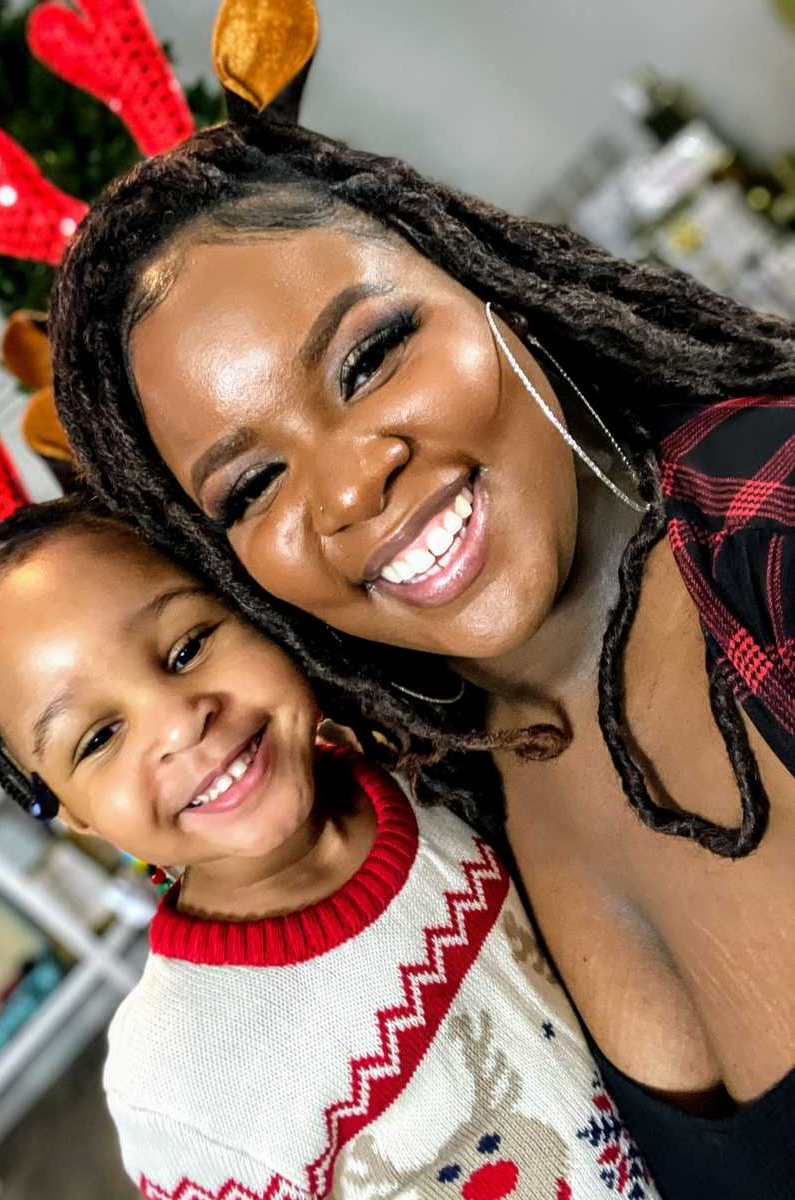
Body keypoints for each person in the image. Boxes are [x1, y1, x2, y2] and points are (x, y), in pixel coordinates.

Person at [49, 120, 795, 1199]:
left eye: (368, 358)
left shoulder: (771, 524)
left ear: (488, 282)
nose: (349, 489)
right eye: (251, 489)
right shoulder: (456, 808)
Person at [0, 495, 655, 1200]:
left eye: (188, 647)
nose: (180, 726)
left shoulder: (428, 764)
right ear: (74, 815)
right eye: (97, 739)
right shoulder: (178, 1080)